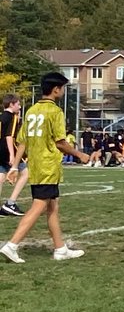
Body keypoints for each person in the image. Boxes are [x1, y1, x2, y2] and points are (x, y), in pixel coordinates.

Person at [1, 72, 91, 264]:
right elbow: (60, 142)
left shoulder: (32, 111)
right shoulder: (55, 112)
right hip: (48, 166)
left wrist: (15, 166)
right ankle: (12, 245)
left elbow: (22, 142)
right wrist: (79, 154)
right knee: (40, 206)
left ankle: (60, 249)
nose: (63, 92)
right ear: (56, 89)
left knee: (52, 206)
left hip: (36, 165)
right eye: (63, 88)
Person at [1, 94, 28, 217]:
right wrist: (12, 155)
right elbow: (9, 136)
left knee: (1, 178)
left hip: (0, 150)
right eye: (18, 104)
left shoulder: (1, 116)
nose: (20, 106)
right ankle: (10, 204)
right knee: (26, 173)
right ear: (11, 104)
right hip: (8, 150)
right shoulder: (13, 117)